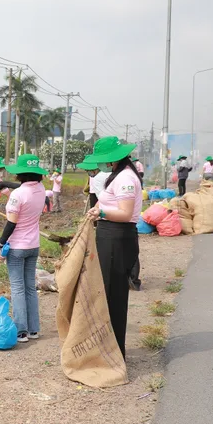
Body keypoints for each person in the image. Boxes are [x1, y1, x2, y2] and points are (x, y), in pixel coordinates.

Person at [85, 137, 142, 360]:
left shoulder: (126, 178)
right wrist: (98, 209)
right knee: (106, 294)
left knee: (113, 297)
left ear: (113, 159)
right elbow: (108, 202)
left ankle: (115, 352)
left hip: (117, 240)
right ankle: (109, 348)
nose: (101, 164)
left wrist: (101, 213)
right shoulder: (116, 175)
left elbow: (126, 214)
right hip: (109, 237)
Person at [0, 155, 47, 343]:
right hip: (33, 245)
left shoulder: (17, 196)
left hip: (17, 247)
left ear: (20, 173)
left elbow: (11, 224)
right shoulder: (41, 189)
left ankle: (20, 331)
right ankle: (33, 330)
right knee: (30, 288)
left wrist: (0, 244)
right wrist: (6, 184)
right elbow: (26, 188)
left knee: (17, 289)